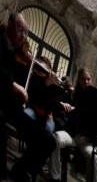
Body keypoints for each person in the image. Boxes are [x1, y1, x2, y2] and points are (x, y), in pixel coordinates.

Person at [0, 12, 57, 182]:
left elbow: (33, 92)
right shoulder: (2, 42)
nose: (23, 36)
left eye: (26, 33)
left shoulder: (18, 54)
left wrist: (48, 84)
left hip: (13, 108)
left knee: (48, 141)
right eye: (20, 30)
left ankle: (19, 172)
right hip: (2, 103)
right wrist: (12, 85)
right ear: (10, 24)